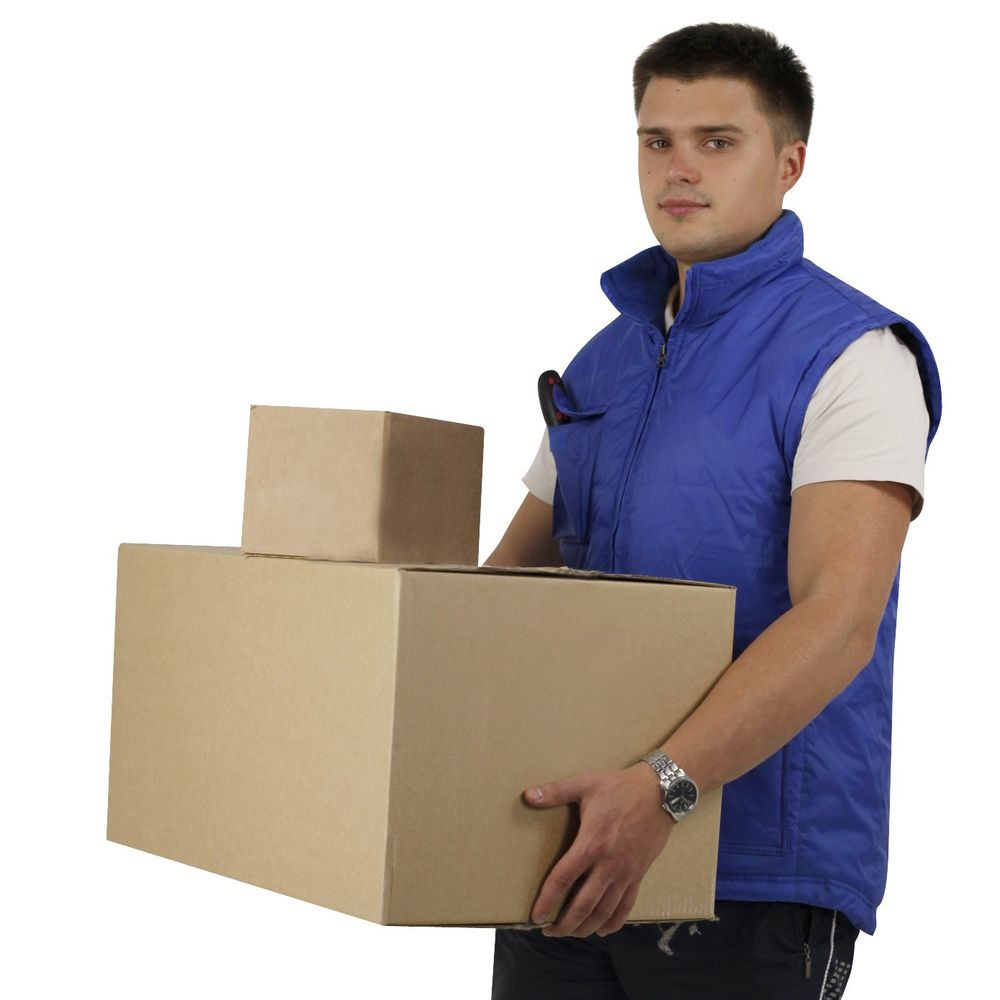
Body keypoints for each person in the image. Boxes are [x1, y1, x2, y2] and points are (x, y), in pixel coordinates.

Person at [484, 22, 942, 1000]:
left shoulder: (852, 354)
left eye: (717, 141)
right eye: (657, 140)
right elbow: (501, 594)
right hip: (565, 851)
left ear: (789, 163)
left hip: (751, 876)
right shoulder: (602, 363)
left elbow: (838, 621)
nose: (678, 168)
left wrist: (662, 788)